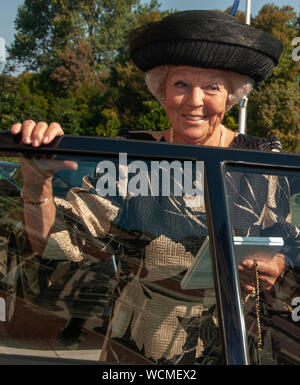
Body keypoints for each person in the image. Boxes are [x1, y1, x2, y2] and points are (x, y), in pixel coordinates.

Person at [10, 10, 296, 364]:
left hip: (237, 341)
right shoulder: (133, 157)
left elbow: (289, 244)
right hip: (143, 345)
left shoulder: (261, 160)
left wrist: (277, 264)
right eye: (181, 84)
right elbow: (57, 244)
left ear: (230, 97)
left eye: (212, 87)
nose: (195, 100)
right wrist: (37, 185)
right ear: (162, 92)